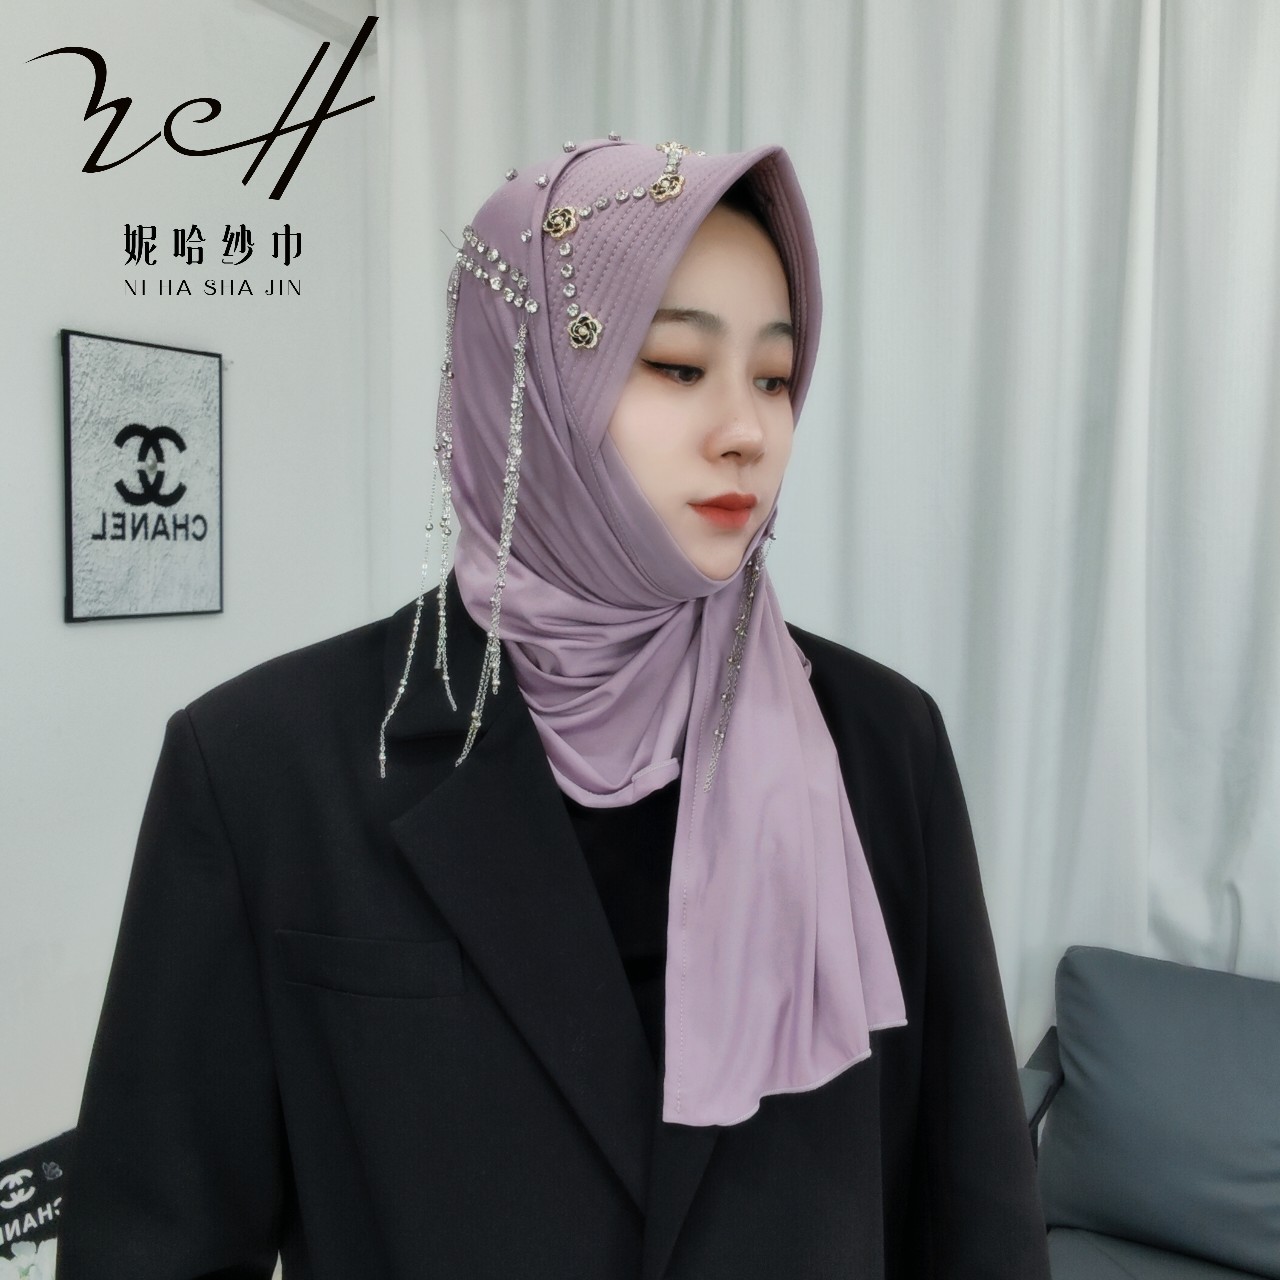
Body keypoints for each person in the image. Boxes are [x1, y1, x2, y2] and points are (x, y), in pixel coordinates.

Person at [59, 139, 1050, 1278]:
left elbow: (970, 1220)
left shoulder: (879, 745)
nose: (747, 428)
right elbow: (156, 1244)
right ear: (520, 379)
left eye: (775, 377)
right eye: (676, 364)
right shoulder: (261, 768)